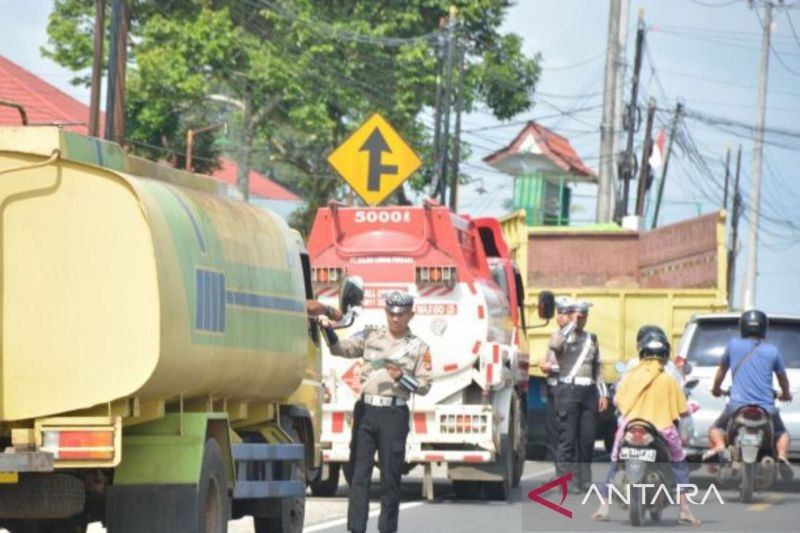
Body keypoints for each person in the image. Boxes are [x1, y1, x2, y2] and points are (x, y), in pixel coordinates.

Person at [317, 291, 432, 533]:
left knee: (391, 479)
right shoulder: (370, 336)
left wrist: (402, 378)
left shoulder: (418, 347)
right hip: (366, 412)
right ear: (386, 313)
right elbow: (341, 349)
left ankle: (387, 529)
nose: (395, 319)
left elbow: (424, 386)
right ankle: (356, 529)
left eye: (401, 314)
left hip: (394, 414)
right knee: (359, 476)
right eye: (391, 313)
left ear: (411, 314)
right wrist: (327, 329)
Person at [592, 328, 701, 526]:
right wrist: (689, 408)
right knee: (679, 463)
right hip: (662, 428)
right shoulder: (668, 378)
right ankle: (685, 510)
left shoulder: (631, 375)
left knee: (615, 462)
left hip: (630, 426)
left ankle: (604, 506)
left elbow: (618, 400)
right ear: (665, 356)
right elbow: (682, 409)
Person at [705, 309, 794, 481]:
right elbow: (783, 379)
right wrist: (786, 394)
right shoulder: (772, 351)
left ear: (743, 327)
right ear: (764, 328)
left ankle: (720, 446)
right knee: (781, 432)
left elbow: (721, 372)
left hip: (737, 405)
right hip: (766, 408)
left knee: (716, 429)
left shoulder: (733, 345)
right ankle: (782, 455)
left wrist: (717, 389)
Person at [548, 300, 608, 492]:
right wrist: (570, 324)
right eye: (578, 317)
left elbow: (597, 367)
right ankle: (566, 480)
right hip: (568, 389)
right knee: (568, 438)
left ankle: (584, 480)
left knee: (587, 438)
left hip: (588, 391)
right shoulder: (561, 335)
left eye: (583, 317)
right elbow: (555, 346)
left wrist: (603, 394)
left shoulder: (592, 339)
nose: (581, 321)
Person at [539, 296, 573, 466]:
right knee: (552, 433)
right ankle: (557, 473)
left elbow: (573, 367)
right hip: (553, 388)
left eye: (565, 314)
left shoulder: (574, 338)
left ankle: (566, 474)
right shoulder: (555, 335)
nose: (560, 316)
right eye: (558, 313)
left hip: (566, 390)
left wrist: (550, 368)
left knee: (564, 434)